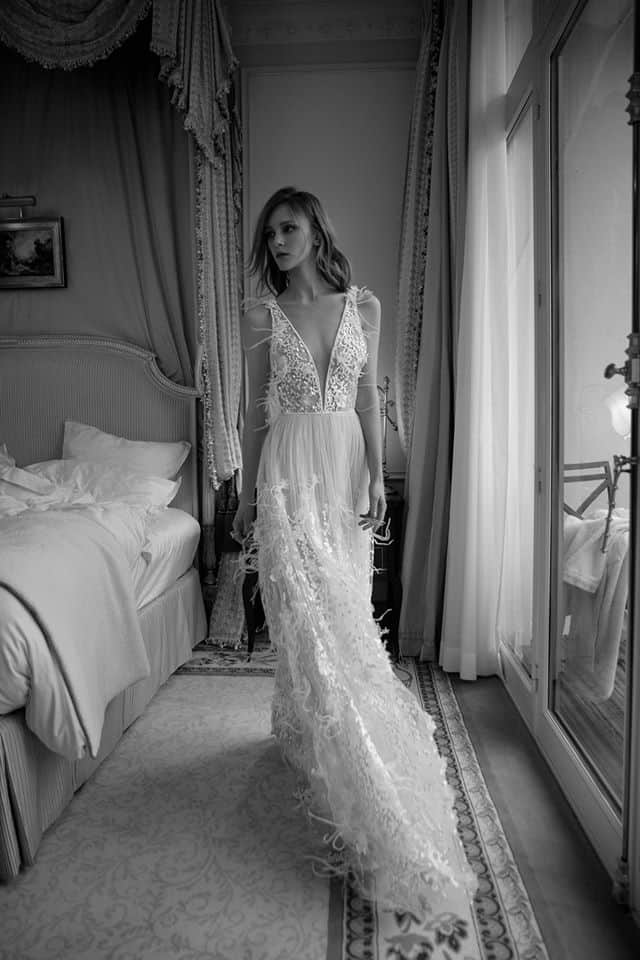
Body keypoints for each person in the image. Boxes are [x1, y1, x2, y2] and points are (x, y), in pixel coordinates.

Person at [232, 186, 476, 916]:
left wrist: (375, 475)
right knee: (310, 621)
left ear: (315, 232)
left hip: (343, 472)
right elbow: (254, 415)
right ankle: (347, 767)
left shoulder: (361, 307)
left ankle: (329, 741)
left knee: (345, 618)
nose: (277, 242)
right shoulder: (259, 315)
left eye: (288, 228)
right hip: (287, 472)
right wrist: (245, 497)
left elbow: (369, 395)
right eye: (270, 233)